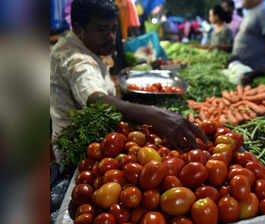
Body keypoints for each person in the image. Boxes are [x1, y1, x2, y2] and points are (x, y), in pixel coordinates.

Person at [50, 0, 207, 160]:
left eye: (113, 29)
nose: (111, 37)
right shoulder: (75, 59)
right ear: (78, 28)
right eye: (102, 29)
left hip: (96, 142)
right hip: (77, 152)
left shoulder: (80, 44)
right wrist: (153, 114)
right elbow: (94, 97)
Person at [232, 0, 265, 78]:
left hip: (257, 68)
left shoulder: (264, 11)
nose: (242, 1)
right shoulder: (252, 11)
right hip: (247, 66)